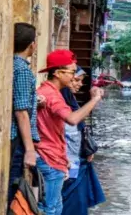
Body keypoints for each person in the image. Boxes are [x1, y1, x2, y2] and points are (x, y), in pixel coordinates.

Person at [35, 50, 104, 215]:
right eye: (72, 73)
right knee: (51, 209)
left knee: (56, 207)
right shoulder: (52, 96)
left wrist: (63, 159)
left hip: (55, 158)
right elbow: (72, 119)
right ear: (58, 73)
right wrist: (95, 99)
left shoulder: (46, 93)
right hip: (49, 157)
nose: (74, 78)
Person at [8, 23, 46, 208]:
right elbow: (21, 112)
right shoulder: (22, 70)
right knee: (15, 192)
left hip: (16, 139)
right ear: (32, 45)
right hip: (18, 140)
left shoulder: (12, 65)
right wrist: (30, 150)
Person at [60, 66, 106, 214]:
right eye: (76, 80)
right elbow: (73, 123)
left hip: (75, 160)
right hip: (68, 161)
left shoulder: (69, 98)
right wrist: (95, 99)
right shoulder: (59, 100)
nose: (80, 84)